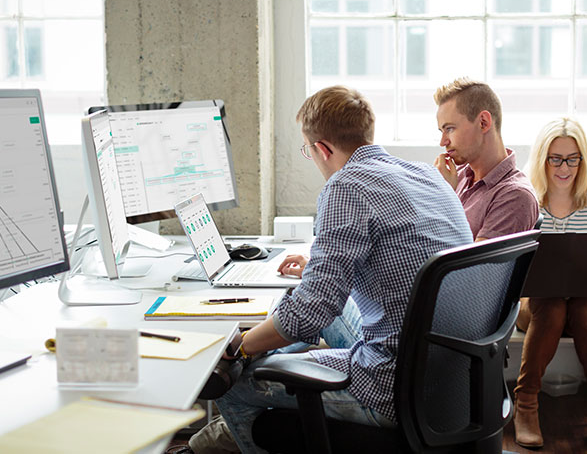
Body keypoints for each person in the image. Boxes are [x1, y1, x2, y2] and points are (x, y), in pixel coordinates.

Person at [189, 85, 473, 454]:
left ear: (322, 148)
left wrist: (240, 347)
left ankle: (222, 429)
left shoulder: (345, 187)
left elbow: (310, 312)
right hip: (453, 379)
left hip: (393, 387)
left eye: (308, 151)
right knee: (288, 331)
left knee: (233, 383)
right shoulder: (425, 174)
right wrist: (317, 273)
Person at [513, 117, 587, 451]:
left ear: (582, 159)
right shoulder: (526, 199)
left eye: (572, 159)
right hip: (538, 303)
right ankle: (526, 406)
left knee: (584, 309)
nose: (564, 168)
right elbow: (514, 266)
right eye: (555, 159)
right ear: (542, 159)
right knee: (552, 306)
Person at [432, 77, 539, 241]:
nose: (443, 142)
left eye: (450, 129)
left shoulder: (516, 196)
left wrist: (445, 196)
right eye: (442, 131)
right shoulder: (456, 176)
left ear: (483, 122)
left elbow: (473, 259)